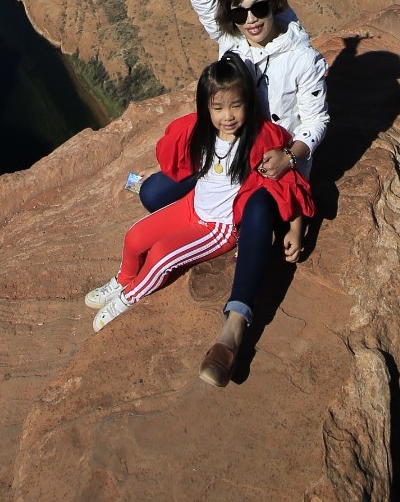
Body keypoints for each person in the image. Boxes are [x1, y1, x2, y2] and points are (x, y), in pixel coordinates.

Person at [144, 0, 330, 385]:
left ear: (276, 4)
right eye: (240, 12)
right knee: (151, 193)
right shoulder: (233, 40)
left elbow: (315, 122)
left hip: (272, 165)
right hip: (226, 156)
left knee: (258, 215)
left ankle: (234, 328)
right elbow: (206, 1)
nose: (249, 20)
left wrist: (291, 177)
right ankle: (214, 220)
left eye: (259, 8)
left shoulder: (302, 58)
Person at [85, 56, 313, 380]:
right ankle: (123, 279)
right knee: (135, 237)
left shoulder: (260, 140)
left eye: (236, 105)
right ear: (206, 107)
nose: (228, 116)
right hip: (192, 206)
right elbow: (175, 153)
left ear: (249, 101)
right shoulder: (204, 131)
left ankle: (129, 297)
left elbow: (287, 183)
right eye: (218, 107)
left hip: (218, 228)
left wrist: (296, 225)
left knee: (163, 255)